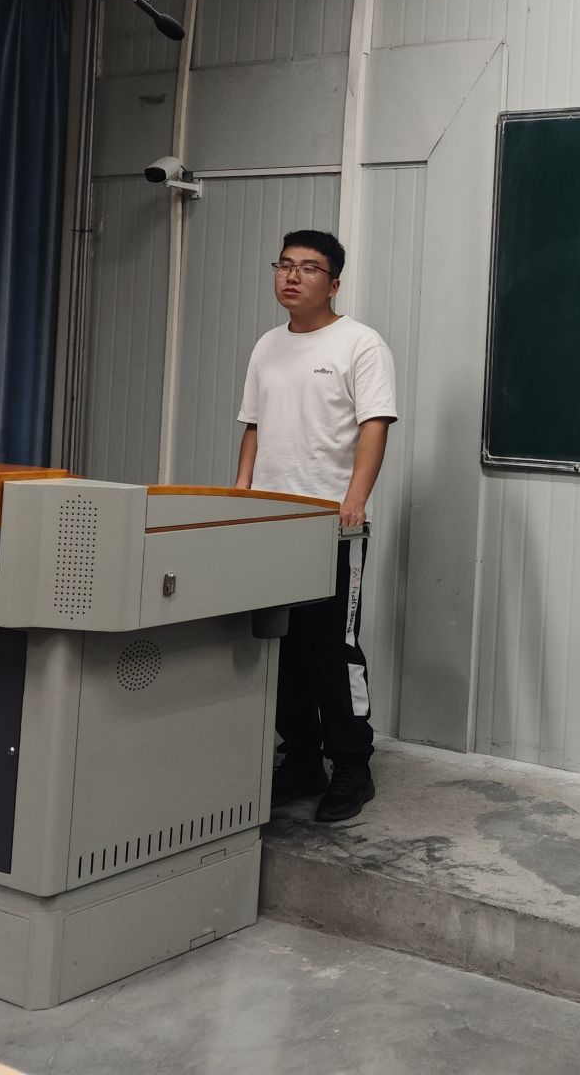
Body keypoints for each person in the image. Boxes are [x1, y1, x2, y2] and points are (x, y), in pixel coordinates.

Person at [235, 229, 397, 823]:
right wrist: (240, 493)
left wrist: (354, 501)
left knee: (334, 650)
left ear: (333, 282)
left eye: (308, 268)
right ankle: (302, 758)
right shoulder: (267, 346)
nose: (292, 276)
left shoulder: (360, 343)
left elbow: (375, 424)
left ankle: (352, 764)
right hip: (270, 523)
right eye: (284, 265)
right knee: (281, 648)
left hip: (330, 524)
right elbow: (254, 426)